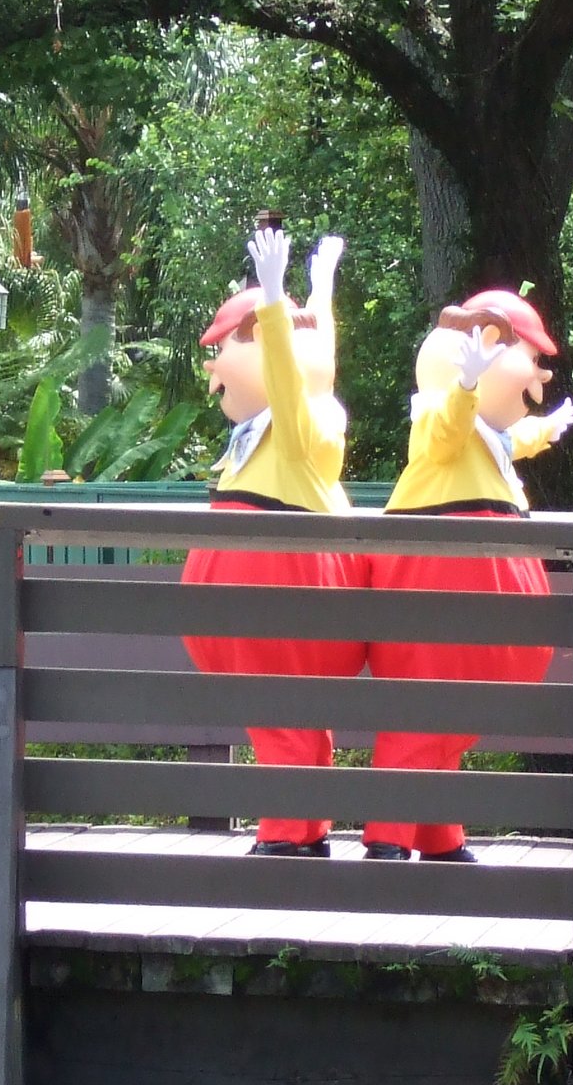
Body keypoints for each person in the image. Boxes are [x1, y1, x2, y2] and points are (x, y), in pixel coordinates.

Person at [363, 289, 573, 863]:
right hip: (437, 577)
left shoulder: (485, 437)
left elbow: (508, 441)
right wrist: (465, 385)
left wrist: (547, 428)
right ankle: (388, 834)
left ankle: (437, 833)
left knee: (448, 711)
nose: (540, 372)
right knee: (427, 703)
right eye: (531, 357)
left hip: (469, 585)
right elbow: (447, 432)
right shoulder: (436, 419)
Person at [179, 226, 368, 858]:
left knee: (279, 704)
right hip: (270, 595)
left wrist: (271, 299)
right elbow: (316, 359)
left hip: (282, 595)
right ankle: (306, 826)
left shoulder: (298, 428)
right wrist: (320, 292)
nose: (212, 368)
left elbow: (292, 378)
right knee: (291, 710)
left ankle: (287, 832)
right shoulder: (279, 428)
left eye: (223, 348)